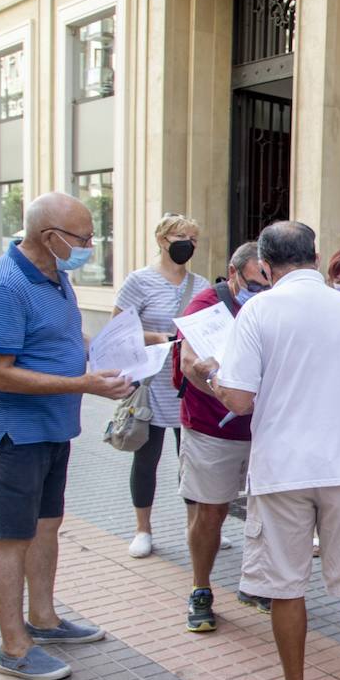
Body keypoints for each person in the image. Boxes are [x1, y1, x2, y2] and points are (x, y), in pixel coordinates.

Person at [211, 221, 340, 680]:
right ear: (316, 258)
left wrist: (208, 376)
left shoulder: (257, 310)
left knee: (285, 585)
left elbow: (238, 398)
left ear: (265, 266)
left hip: (281, 468)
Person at [0, 192, 134, 680]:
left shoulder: (55, 275)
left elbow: (61, 339)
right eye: (82, 238)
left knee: (45, 527)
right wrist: (83, 383)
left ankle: (43, 620)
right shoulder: (1, 286)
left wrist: (115, 351)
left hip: (51, 429)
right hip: (13, 435)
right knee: (11, 538)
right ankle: (13, 647)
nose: (88, 246)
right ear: (49, 237)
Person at [175, 241, 272, 632]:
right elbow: (188, 366)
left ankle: (257, 583)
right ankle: (201, 588)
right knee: (210, 511)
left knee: (268, 512)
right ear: (234, 275)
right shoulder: (205, 307)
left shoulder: (272, 306)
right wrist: (218, 381)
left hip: (264, 429)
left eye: (268, 285)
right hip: (212, 427)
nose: (261, 293)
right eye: (254, 284)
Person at [114, 213, 208, 559]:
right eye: (181, 236)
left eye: (194, 239)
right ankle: (143, 529)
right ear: (162, 240)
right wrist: (158, 337)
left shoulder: (199, 285)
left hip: (189, 386)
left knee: (193, 461)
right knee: (147, 457)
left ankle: (197, 526)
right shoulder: (139, 282)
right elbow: (119, 331)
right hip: (152, 383)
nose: (188, 244)